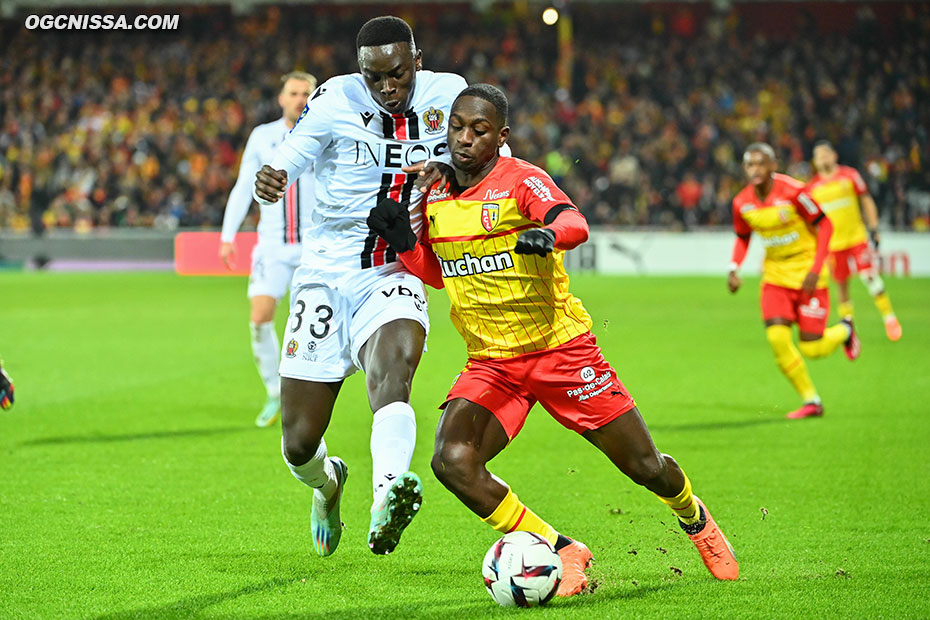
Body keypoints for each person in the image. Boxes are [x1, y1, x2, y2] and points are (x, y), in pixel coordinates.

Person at [367, 84, 739, 596]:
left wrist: (550, 235)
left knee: (645, 467)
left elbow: (573, 222)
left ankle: (694, 517)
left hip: (561, 350)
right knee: (452, 460)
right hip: (492, 362)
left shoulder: (521, 181)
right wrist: (406, 245)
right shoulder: (434, 191)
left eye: (479, 130)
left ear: (501, 137)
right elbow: (438, 272)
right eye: (456, 127)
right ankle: (560, 547)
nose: (464, 139)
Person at [252, 16, 467, 557]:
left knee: (393, 372)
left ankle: (385, 498)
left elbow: (487, 156)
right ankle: (329, 485)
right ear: (361, 71)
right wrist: (273, 178)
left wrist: (447, 167)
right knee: (299, 443)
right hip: (325, 274)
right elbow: (291, 157)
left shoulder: (451, 94)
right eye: (376, 78)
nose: (388, 87)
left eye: (397, 74)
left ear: (417, 60)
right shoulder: (334, 99)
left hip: (394, 268)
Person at [728, 143, 860, 420]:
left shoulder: (795, 192)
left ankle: (845, 330)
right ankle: (811, 400)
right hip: (775, 278)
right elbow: (742, 238)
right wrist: (734, 268)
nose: (754, 170)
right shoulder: (742, 203)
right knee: (777, 338)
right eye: (749, 165)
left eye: (760, 164)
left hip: (808, 277)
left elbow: (826, 225)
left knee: (813, 348)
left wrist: (815, 268)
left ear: (773, 165)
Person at [220, 71, 318, 428]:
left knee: (309, 326)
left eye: (307, 92)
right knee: (260, 318)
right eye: (293, 92)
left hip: (314, 245)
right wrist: (227, 235)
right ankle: (274, 393)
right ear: (281, 98)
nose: (300, 98)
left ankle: (306, 397)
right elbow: (244, 187)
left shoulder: (324, 133)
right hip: (273, 245)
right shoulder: (263, 137)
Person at [808, 141, 901, 340]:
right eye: (819, 156)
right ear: (814, 162)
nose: (823, 158)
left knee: (869, 276)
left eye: (826, 154)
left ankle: (889, 318)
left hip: (856, 238)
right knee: (841, 286)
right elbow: (812, 222)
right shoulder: (813, 188)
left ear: (834, 156)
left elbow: (866, 200)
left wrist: (874, 227)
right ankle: (849, 329)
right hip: (833, 245)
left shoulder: (849, 176)